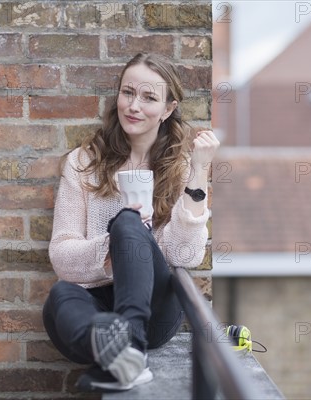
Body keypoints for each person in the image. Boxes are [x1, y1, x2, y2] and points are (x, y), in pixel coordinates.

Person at [42, 53, 219, 392]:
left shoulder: (180, 167)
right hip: (97, 302)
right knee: (61, 295)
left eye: (149, 98)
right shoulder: (83, 163)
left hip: (154, 310)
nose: (134, 106)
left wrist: (199, 170)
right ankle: (114, 345)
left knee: (126, 223)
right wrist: (113, 247)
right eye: (128, 93)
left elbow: (184, 256)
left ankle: (131, 347)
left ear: (168, 109)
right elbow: (62, 256)